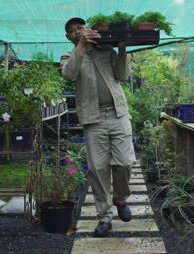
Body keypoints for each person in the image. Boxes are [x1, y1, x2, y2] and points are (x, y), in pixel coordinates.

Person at [60, 17, 136, 237]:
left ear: (89, 29)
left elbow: (122, 75)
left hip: (118, 114)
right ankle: (104, 217)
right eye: (72, 31)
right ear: (68, 37)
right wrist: (81, 47)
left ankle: (120, 199)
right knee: (98, 169)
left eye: (80, 28)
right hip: (93, 119)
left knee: (125, 162)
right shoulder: (70, 56)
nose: (77, 32)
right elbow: (69, 74)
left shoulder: (106, 50)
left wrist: (121, 50)